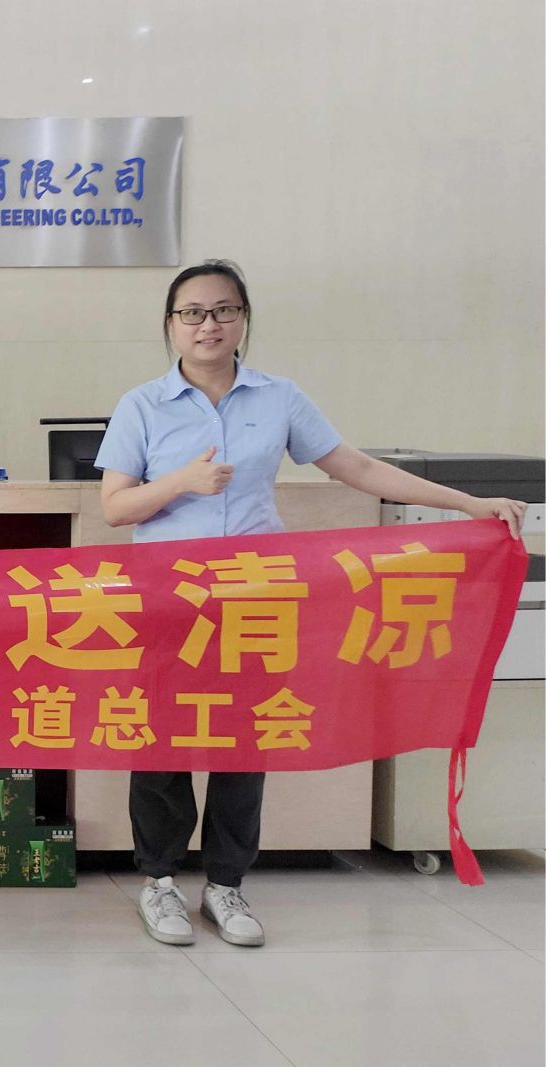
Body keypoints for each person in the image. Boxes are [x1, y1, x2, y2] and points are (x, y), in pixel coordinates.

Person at [95, 259, 525, 948]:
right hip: (170, 597)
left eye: (224, 310)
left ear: (243, 319)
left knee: (245, 738)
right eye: (193, 312)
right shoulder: (142, 404)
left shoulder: (278, 397)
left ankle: (226, 883)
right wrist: (181, 481)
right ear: (170, 324)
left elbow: (357, 467)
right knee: (164, 738)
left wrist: (469, 504)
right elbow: (116, 507)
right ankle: (161, 881)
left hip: (257, 595)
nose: (209, 324)